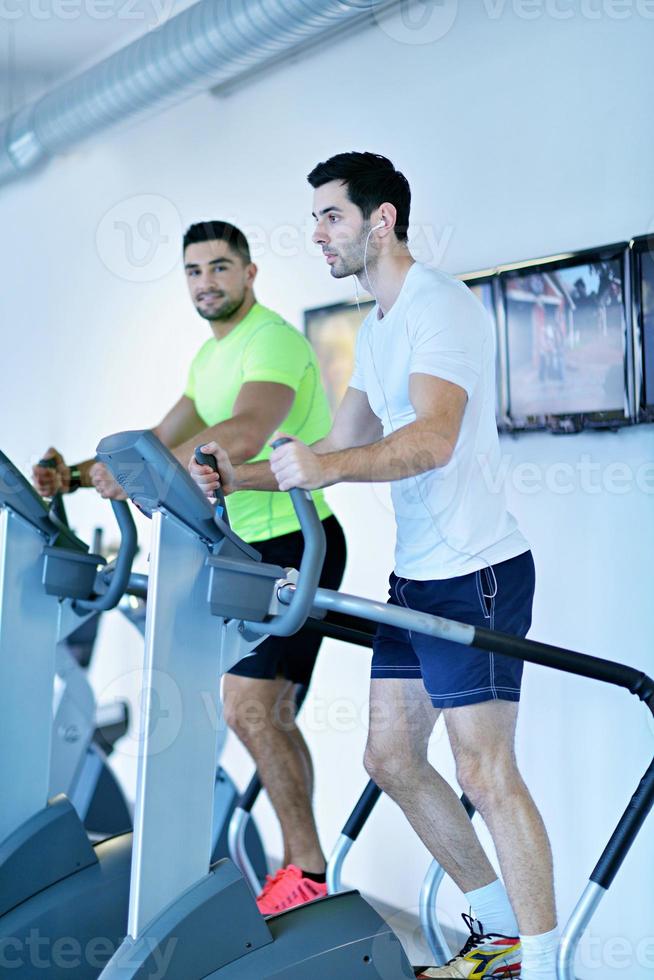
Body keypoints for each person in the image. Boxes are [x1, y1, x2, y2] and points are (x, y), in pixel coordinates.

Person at [189, 155, 558, 980]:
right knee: (390, 758)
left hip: (478, 571)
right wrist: (236, 475)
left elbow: (432, 438)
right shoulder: (380, 324)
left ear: (380, 220)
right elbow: (329, 448)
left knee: (485, 772)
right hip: (416, 576)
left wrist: (329, 470)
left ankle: (547, 963)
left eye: (330, 216)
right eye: (316, 217)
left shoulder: (439, 308)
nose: (316, 232)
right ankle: (499, 940)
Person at [32, 220, 347, 915]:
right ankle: (305, 866)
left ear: (250, 273)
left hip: (293, 544)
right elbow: (158, 439)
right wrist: (79, 477)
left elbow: (242, 433)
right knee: (261, 713)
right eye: (194, 271)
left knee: (249, 709)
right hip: (241, 550)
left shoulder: (271, 341)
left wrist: (143, 469)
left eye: (220, 267)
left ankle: (308, 868)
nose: (206, 282)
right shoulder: (209, 359)